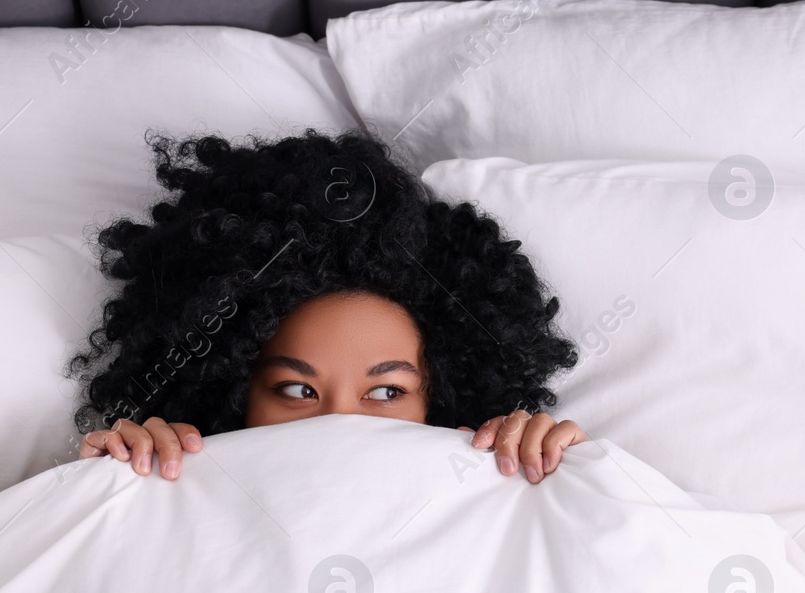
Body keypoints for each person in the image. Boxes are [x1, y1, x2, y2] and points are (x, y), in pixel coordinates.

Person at [69, 129, 586, 484]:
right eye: (297, 389)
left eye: (387, 391)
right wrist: (114, 483)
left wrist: (559, 472)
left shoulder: (500, 486)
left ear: (438, 404)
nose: (340, 424)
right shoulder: (165, 482)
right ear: (232, 399)